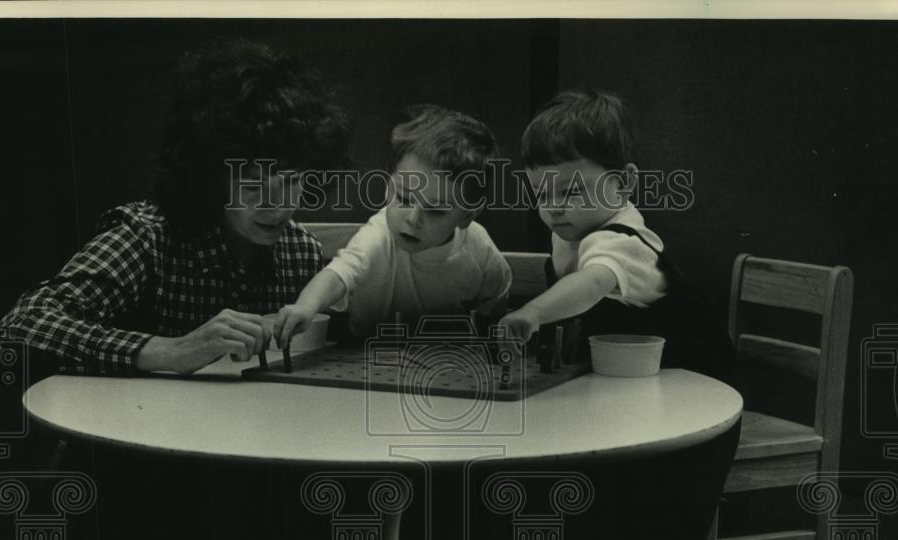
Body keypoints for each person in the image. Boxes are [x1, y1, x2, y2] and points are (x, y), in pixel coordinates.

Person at [0, 39, 349, 375]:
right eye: (251, 181)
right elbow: (22, 323)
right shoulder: (147, 237)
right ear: (211, 175)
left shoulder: (300, 252)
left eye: (291, 179)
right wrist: (170, 350)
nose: (277, 205)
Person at [500, 89, 733, 383]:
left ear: (624, 183)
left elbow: (594, 282)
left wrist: (534, 311)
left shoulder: (624, 240)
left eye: (572, 191)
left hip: (692, 380)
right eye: (541, 194)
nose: (554, 207)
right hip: (629, 375)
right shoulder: (573, 226)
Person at [272, 105, 511, 345]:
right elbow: (337, 275)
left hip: (442, 360)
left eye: (436, 211)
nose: (413, 219)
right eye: (404, 198)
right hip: (362, 355)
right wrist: (305, 306)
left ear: (466, 216)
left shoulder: (480, 250)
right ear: (388, 187)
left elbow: (496, 304)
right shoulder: (377, 237)